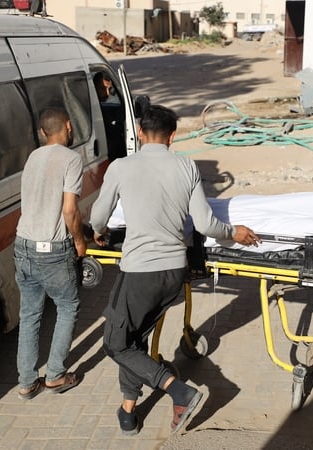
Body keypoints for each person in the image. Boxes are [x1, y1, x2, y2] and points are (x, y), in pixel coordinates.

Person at [89, 104, 260, 436]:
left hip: (139, 272)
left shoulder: (121, 167)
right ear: (172, 136)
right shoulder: (186, 166)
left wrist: (98, 232)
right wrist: (232, 232)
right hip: (173, 274)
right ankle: (128, 412)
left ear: (139, 133)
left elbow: (98, 218)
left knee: (115, 343)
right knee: (133, 340)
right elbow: (207, 225)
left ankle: (177, 390)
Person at [14, 108, 86, 400]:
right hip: (53, 250)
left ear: (43, 132)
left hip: (23, 245)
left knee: (30, 314)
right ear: (68, 127)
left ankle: (27, 383)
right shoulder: (71, 159)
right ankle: (56, 376)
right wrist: (80, 241)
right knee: (67, 307)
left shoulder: (33, 157)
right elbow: (69, 210)